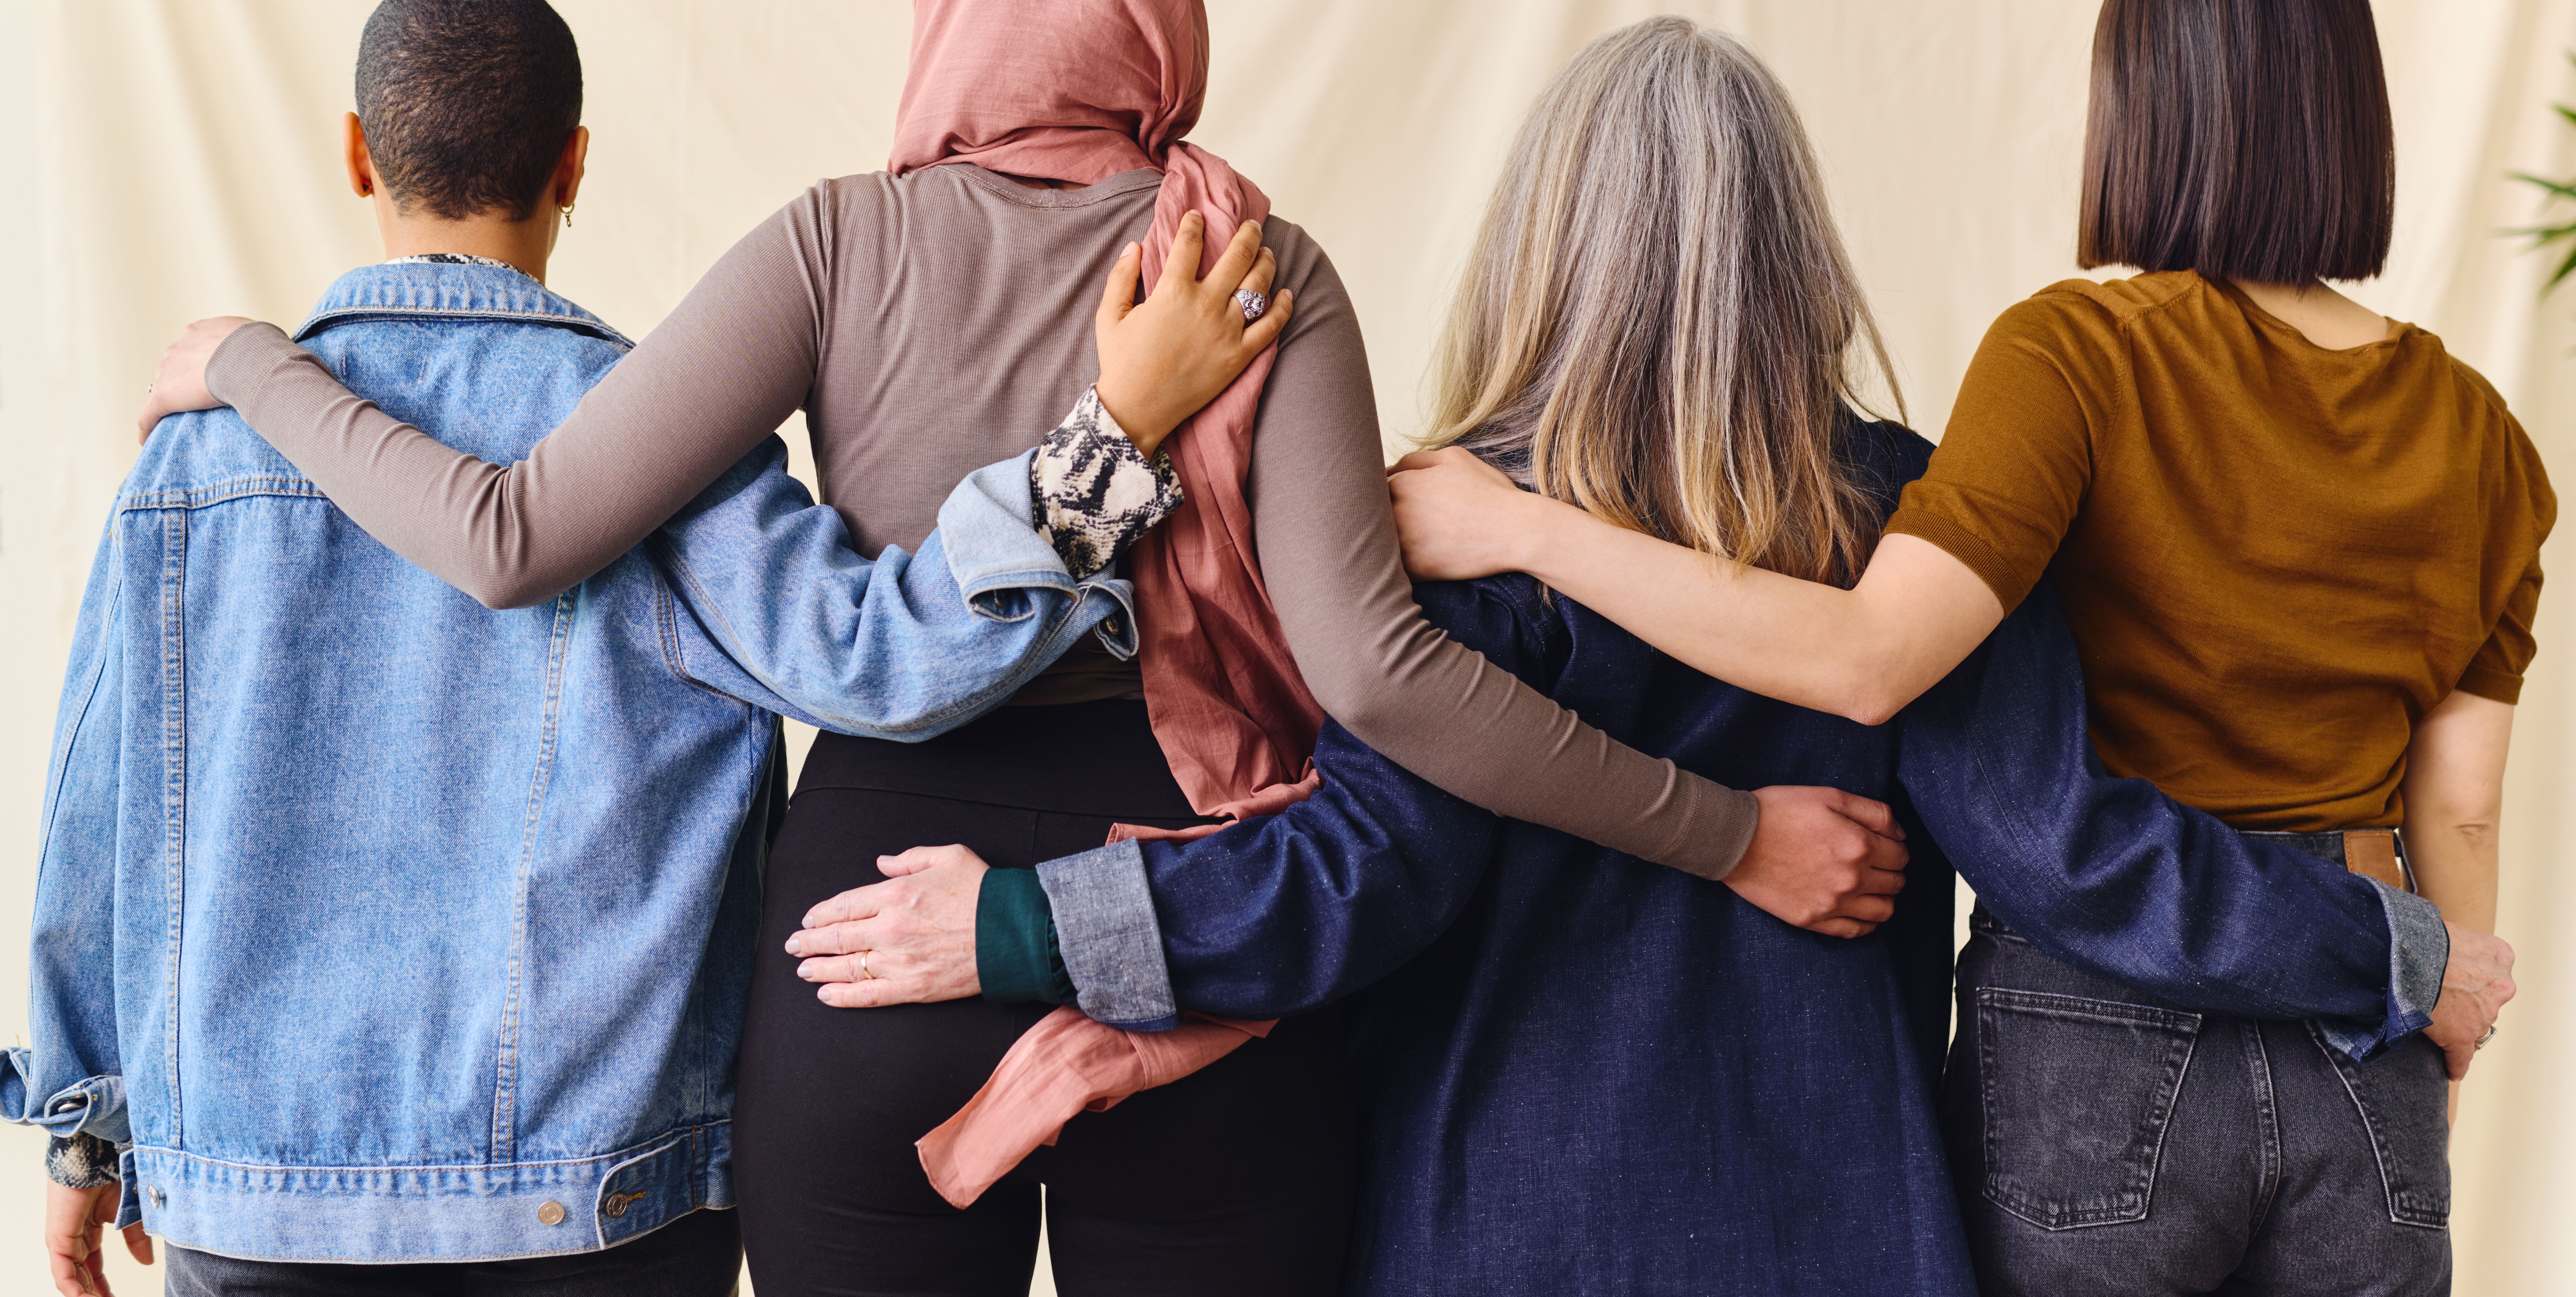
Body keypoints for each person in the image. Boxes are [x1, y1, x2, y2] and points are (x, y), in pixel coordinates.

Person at [130, 1, 1921, 1292]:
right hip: (1212, 954)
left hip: (868, 940)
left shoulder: (837, 244)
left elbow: (508, 537)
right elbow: (1380, 679)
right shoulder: (1248, 263)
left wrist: (247, 361)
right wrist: (1728, 829)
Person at [809, 18, 2483, 1295]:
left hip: (1498, 1227)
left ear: (1545, 247)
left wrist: (1028, 920)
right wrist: (2394, 948)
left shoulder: (1457, 526)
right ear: (1796, 257)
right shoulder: (1902, 518)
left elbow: (1357, 876)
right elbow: (2072, 851)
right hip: (1851, 1234)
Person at [11, 2, 1275, 1293]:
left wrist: (81, 1131)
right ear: (575, 165)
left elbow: (98, 818)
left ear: (356, 154)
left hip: (250, 1198)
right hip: (597, 1206)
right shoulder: (670, 458)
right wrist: (1108, 448)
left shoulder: (197, 453)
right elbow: (885, 659)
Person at [1385, 1, 2542, 1293]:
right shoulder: (2486, 433)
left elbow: (1878, 658)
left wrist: (1528, 529)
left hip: (2101, 1032)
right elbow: (2466, 808)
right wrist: (2432, 1026)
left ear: (2143, 114)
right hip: (2361, 1011)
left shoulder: (2074, 357)